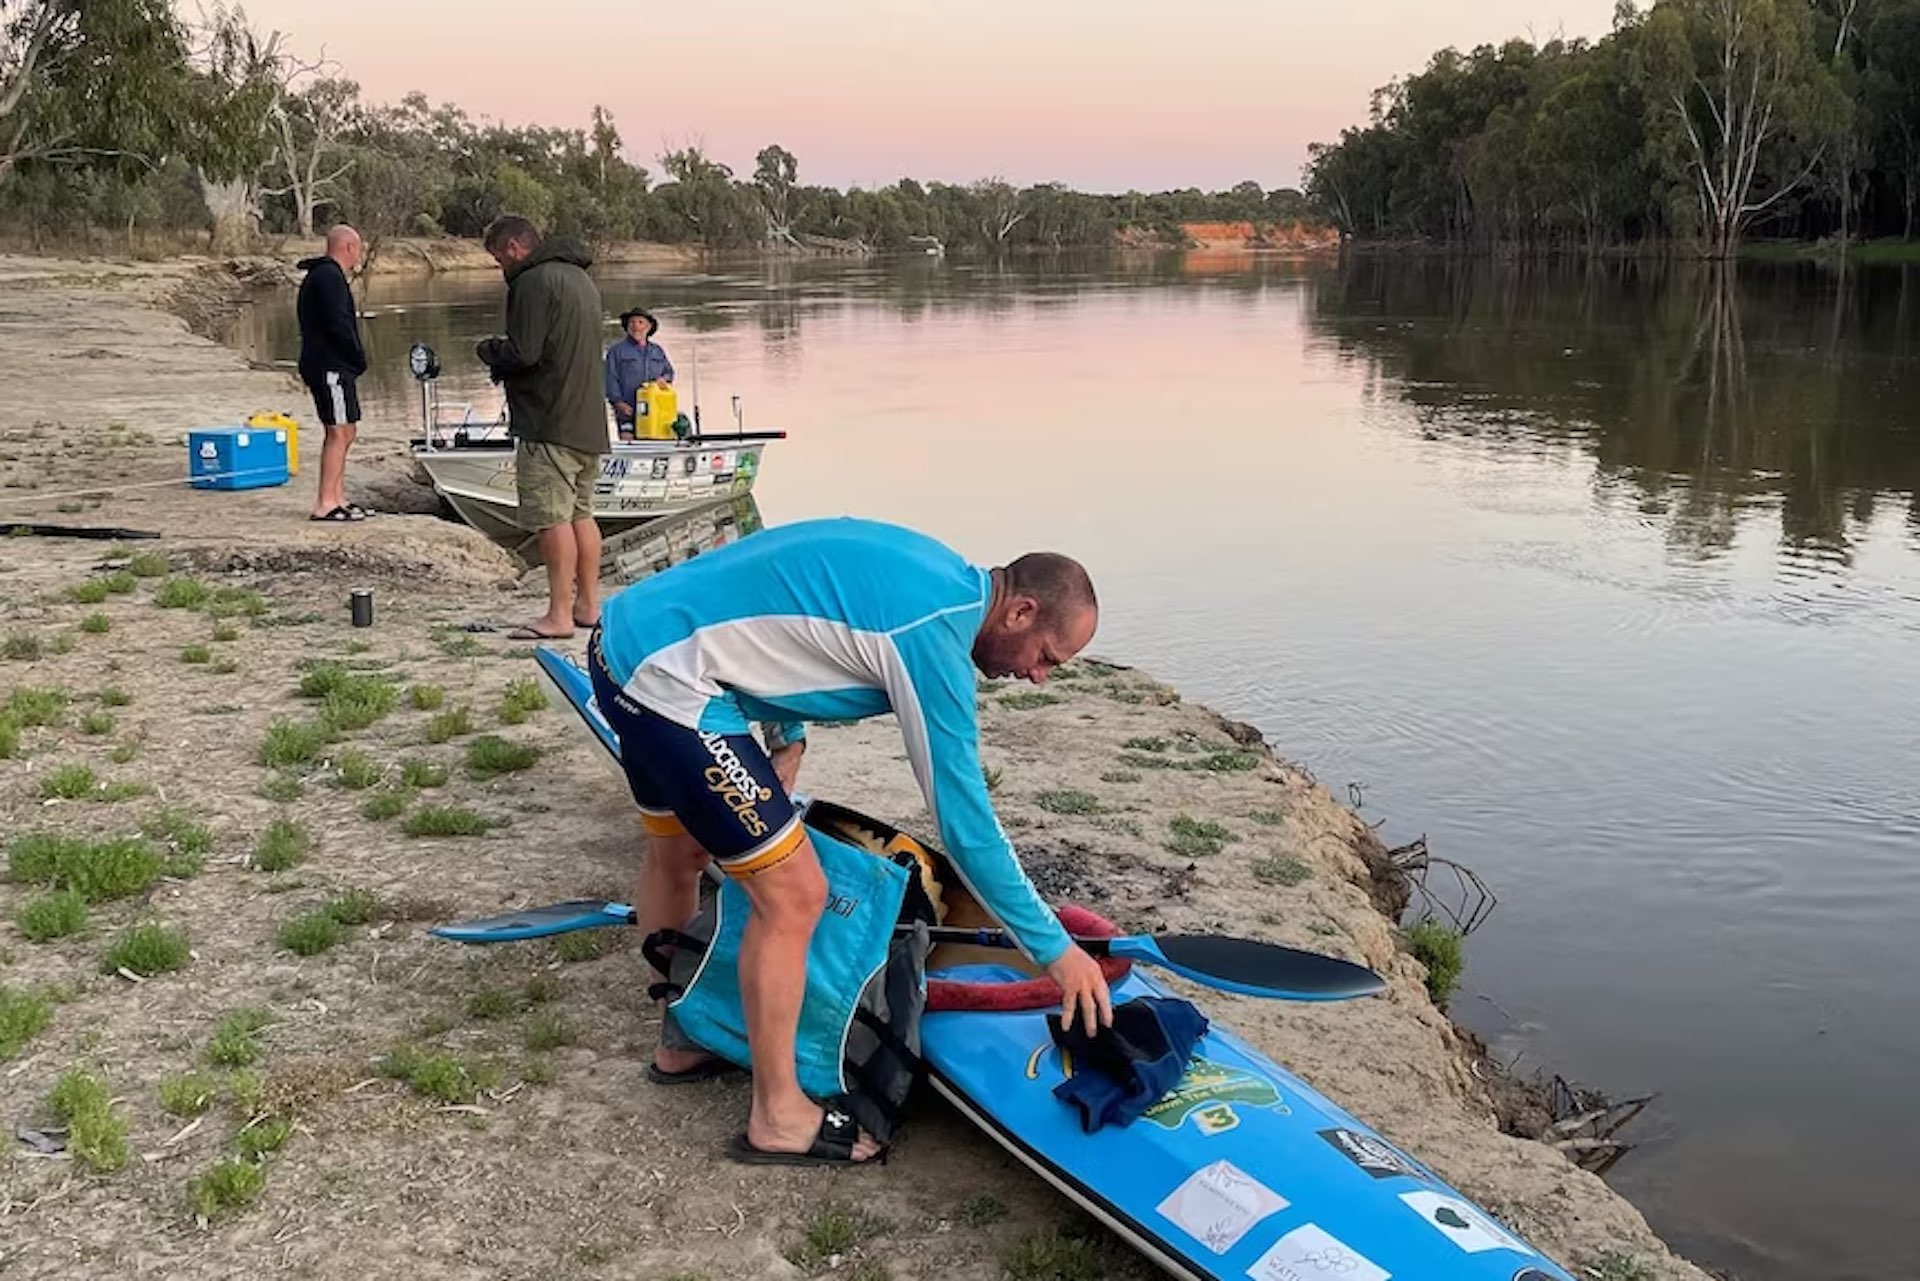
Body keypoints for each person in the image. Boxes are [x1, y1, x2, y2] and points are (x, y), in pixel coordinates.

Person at [587, 516, 1114, 1167]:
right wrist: (1055, 949)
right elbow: (966, 825)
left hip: (621, 645)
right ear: (1021, 612)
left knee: (681, 854)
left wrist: (789, 728)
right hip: (672, 687)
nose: (1038, 677)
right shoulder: (935, 637)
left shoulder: (934, 568)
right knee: (797, 894)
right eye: (1045, 658)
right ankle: (778, 1115)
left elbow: (786, 596)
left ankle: (687, 1035)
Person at [474, 215, 610, 640]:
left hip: (548, 419)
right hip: (588, 420)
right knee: (581, 515)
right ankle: (589, 605)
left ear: (515, 248)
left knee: (552, 520)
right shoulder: (581, 279)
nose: (501, 268)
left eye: (499, 259)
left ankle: (558, 615)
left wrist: (489, 351)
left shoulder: (532, 282)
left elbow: (525, 352)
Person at [295, 224, 369, 523]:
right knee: (338, 431)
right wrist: (356, 356)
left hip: (336, 365)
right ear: (348, 247)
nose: (358, 256)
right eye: (358, 249)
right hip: (330, 366)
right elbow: (338, 324)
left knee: (348, 429)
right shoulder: (328, 278)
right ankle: (326, 502)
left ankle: (339, 497)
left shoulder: (327, 276)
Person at [604, 307, 675, 439]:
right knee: (628, 444)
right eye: (632, 322)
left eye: (640, 322)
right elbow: (610, 379)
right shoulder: (616, 351)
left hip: (654, 411)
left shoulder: (657, 351)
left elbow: (669, 373)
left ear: (648, 327)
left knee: (655, 444)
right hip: (627, 411)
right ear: (627, 326)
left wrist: (664, 380)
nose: (636, 326)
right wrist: (618, 403)